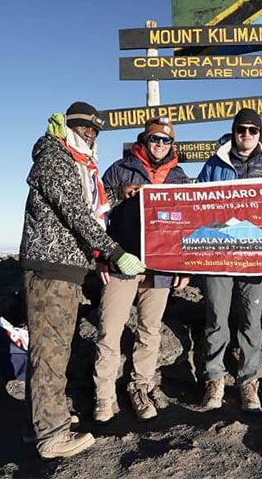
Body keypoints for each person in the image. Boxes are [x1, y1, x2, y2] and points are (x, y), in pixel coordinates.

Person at [19, 101, 145, 459]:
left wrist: (121, 194)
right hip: (50, 266)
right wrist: (115, 251)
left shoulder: (77, 163)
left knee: (52, 348)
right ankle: (52, 436)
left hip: (63, 267)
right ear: (69, 126)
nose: (90, 135)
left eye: (95, 130)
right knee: (51, 351)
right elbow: (75, 213)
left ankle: (42, 423)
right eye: (85, 128)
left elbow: (88, 207)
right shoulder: (55, 157)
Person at [196, 108, 262, 412]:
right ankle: (215, 379)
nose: (247, 135)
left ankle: (249, 383)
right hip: (218, 253)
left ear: (261, 133)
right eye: (242, 129)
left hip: (257, 254)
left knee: (251, 321)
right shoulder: (215, 163)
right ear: (234, 130)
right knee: (216, 316)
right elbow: (196, 201)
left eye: (254, 130)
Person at [93, 118, 191, 422]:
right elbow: (95, 209)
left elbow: (187, 224)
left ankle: (140, 387)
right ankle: (103, 396)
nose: (160, 145)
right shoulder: (120, 168)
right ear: (144, 140)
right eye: (154, 139)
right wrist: (100, 255)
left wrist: (184, 265)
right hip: (122, 261)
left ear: (172, 145)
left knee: (149, 330)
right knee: (109, 329)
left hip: (161, 266)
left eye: (166, 140)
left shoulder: (178, 177)